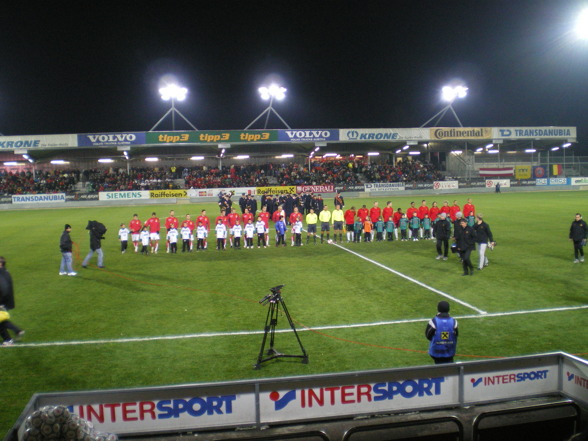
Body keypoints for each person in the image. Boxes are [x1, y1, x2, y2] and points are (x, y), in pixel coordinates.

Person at [0, 256, 25, 346]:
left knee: (1, 322)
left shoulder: (1, 273)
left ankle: (8, 339)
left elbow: (4, 288)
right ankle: (17, 331)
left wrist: (1, 302)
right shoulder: (6, 272)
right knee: (1, 321)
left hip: (2, 302)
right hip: (7, 301)